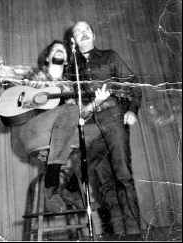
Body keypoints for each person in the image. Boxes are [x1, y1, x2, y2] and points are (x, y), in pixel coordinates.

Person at [0, 40, 110, 212]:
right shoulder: (32, 73)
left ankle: (72, 189)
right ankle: (51, 184)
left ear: (68, 60)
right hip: (32, 129)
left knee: (106, 131)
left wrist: (96, 102)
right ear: (47, 57)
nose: (60, 50)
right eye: (56, 49)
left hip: (60, 132)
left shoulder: (69, 87)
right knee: (70, 109)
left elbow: (79, 116)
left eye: (63, 49)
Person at [64, 21, 142, 238]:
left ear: (94, 35)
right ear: (74, 41)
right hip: (90, 126)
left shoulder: (110, 56)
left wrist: (132, 110)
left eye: (86, 30)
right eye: (78, 32)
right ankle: (119, 232)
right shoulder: (71, 69)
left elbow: (133, 84)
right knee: (105, 181)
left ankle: (134, 233)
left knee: (123, 175)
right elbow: (71, 103)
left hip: (113, 119)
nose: (83, 34)